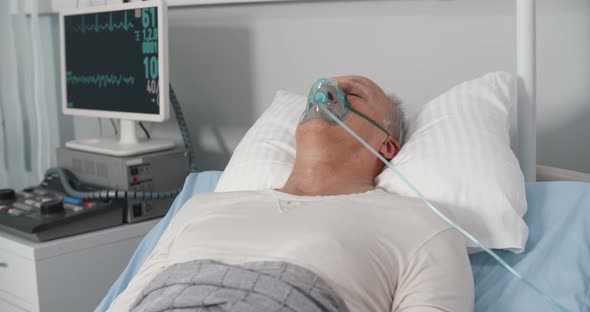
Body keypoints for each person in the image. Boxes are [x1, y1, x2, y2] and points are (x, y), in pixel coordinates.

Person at [108, 76, 474, 312]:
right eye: (324, 88)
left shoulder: (420, 226)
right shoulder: (201, 206)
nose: (326, 94)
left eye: (354, 94)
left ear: (387, 146)